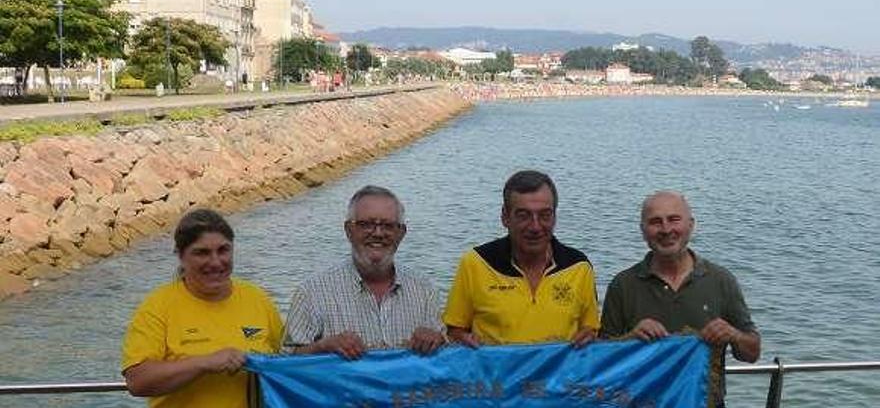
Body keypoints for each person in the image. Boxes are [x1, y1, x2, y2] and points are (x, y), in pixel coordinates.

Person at [600, 191, 760, 405]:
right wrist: (631, 338)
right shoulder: (623, 285)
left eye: (674, 219)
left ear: (691, 225)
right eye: (655, 222)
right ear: (643, 231)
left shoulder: (721, 280)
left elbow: (752, 353)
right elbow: (602, 361)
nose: (666, 230)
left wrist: (733, 335)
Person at [121, 209, 283, 408]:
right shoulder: (157, 307)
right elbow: (137, 382)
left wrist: (320, 348)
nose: (215, 262)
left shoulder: (258, 299)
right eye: (202, 253)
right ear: (181, 256)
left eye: (223, 250)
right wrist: (204, 363)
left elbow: (285, 362)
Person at [283, 185, 445, 359]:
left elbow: (446, 361)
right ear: (348, 230)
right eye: (366, 224)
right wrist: (323, 346)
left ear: (401, 233)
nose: (377, 233)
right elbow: (285, 364)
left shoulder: (425, 291)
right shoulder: (312, 293)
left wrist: (438, 341)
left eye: (388, 225)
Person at [443, 170, 600, 346]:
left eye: (545, 215)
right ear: (505, 217)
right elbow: (454, 330)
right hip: (496, 373)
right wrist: (461, 338)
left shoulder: (579, 266)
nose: (535, 226)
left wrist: (588, 335)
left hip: (558, 373)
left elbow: (591, 329)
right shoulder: (475, 263)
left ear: (555, 217)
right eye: (523, 215)